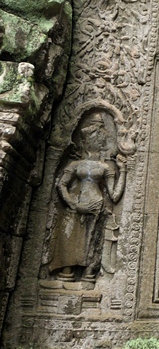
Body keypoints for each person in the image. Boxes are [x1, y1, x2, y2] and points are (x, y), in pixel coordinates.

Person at [46, 111, 127, 284]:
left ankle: (89, 276)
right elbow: (61, 184)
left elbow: (114, 195)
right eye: (91, 139)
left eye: (99, 140)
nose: (95, 142)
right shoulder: (75, 164)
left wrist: (124, 170)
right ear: (84, 141)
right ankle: (66, 273)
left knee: (91, 243)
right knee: (69, 239)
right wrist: (74, 204)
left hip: (96, 206)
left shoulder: (105, 167)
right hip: (76, 206)